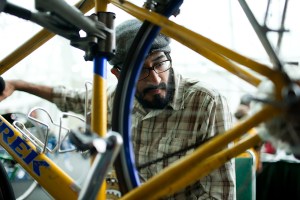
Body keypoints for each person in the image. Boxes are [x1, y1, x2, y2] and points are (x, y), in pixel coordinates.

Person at [0, 19, 235, 199]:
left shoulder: (206, 102)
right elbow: (69, 97)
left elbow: (219, 194)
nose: (155, 79)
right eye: (140, 70)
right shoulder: (116, 99)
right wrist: (18, 85)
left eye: (160, 63)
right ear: (119, 75)